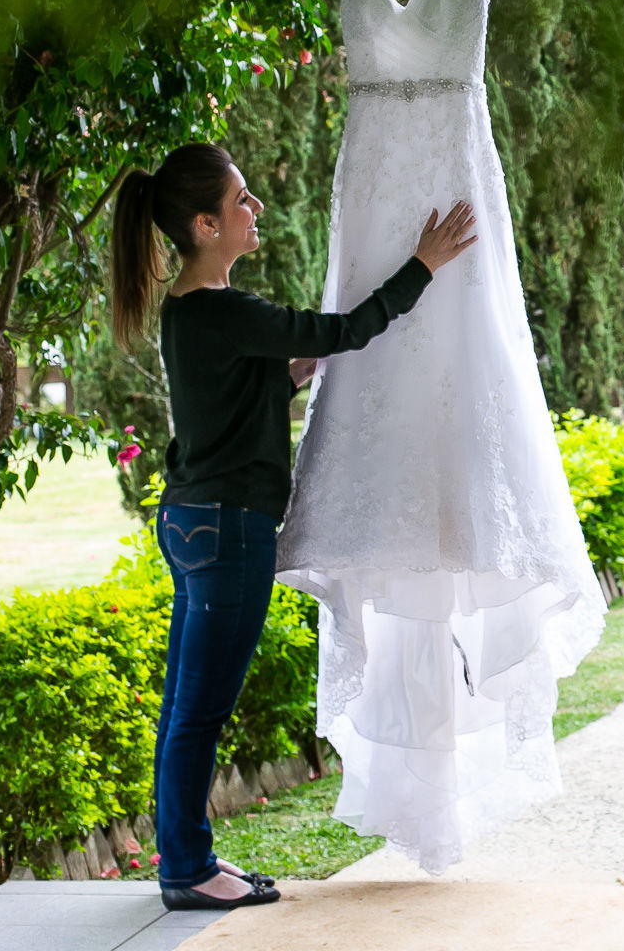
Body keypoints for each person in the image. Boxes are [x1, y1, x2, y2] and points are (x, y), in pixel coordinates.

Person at [109, 142, 476, 910]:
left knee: (186, 707)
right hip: (223, 527)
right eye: (242, 200)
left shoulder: (191, 313)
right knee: (198, 713)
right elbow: (344, 330)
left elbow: (226, 406)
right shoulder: (226, 311)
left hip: (192, 520)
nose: (256, 210)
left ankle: (189, 859)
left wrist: (283, 377)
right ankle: (186, 871)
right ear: (205, 225)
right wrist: (425, 264)